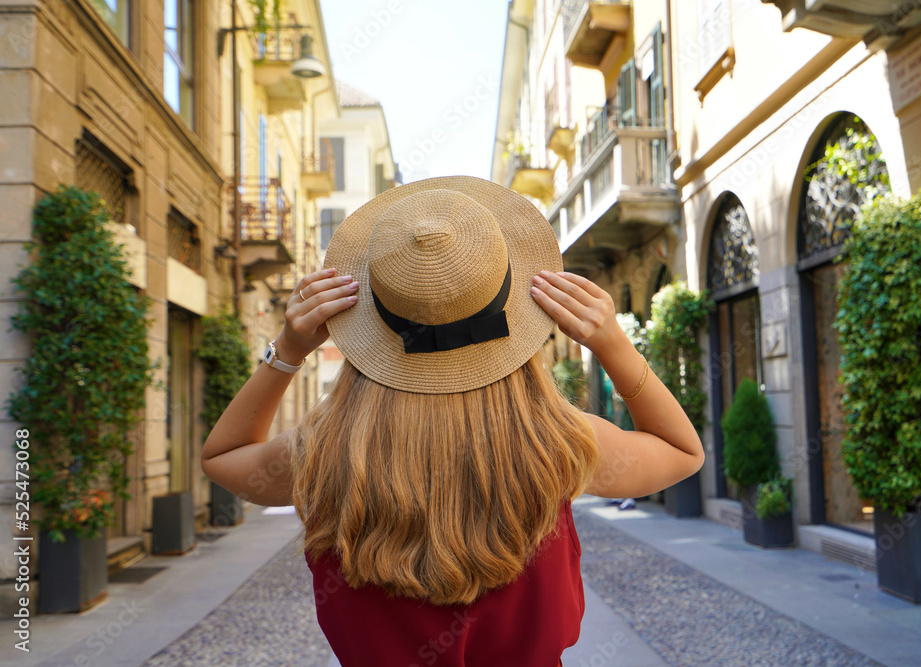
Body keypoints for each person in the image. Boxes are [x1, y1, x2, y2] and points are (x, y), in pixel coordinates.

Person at [201, 176, 704, 667]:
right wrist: (611, 342)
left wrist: (287, 351)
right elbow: (683, 452)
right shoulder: (559, 442)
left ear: (367, 322)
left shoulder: (326, 450)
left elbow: (222, 458)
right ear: (514, 309)